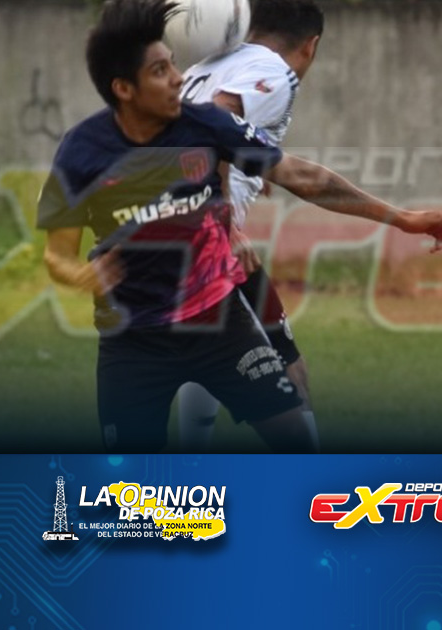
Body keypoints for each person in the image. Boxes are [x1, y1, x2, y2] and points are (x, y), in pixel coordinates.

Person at [38, 0, 442, 454]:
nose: (179, 78)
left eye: (173, 64)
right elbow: (56, 253)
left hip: (218, 321)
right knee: (131, 485)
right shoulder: (81, 151)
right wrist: (79, 273)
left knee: (295, 440)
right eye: (161, 71)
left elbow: (301, 176)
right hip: (133, 339)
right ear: (123, 88)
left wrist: (402, 218)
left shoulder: (204, 123)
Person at [175, 0, 325, 451]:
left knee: (204, 351)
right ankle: (313, 482)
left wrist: (253, 166)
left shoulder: (203, 67)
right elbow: (214, 128)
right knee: (288, 367)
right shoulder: (274, 71)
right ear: (311, 46)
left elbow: (202, 135)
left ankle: (189, 471)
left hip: (167, 244)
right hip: (209, 244)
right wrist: (224, 216)